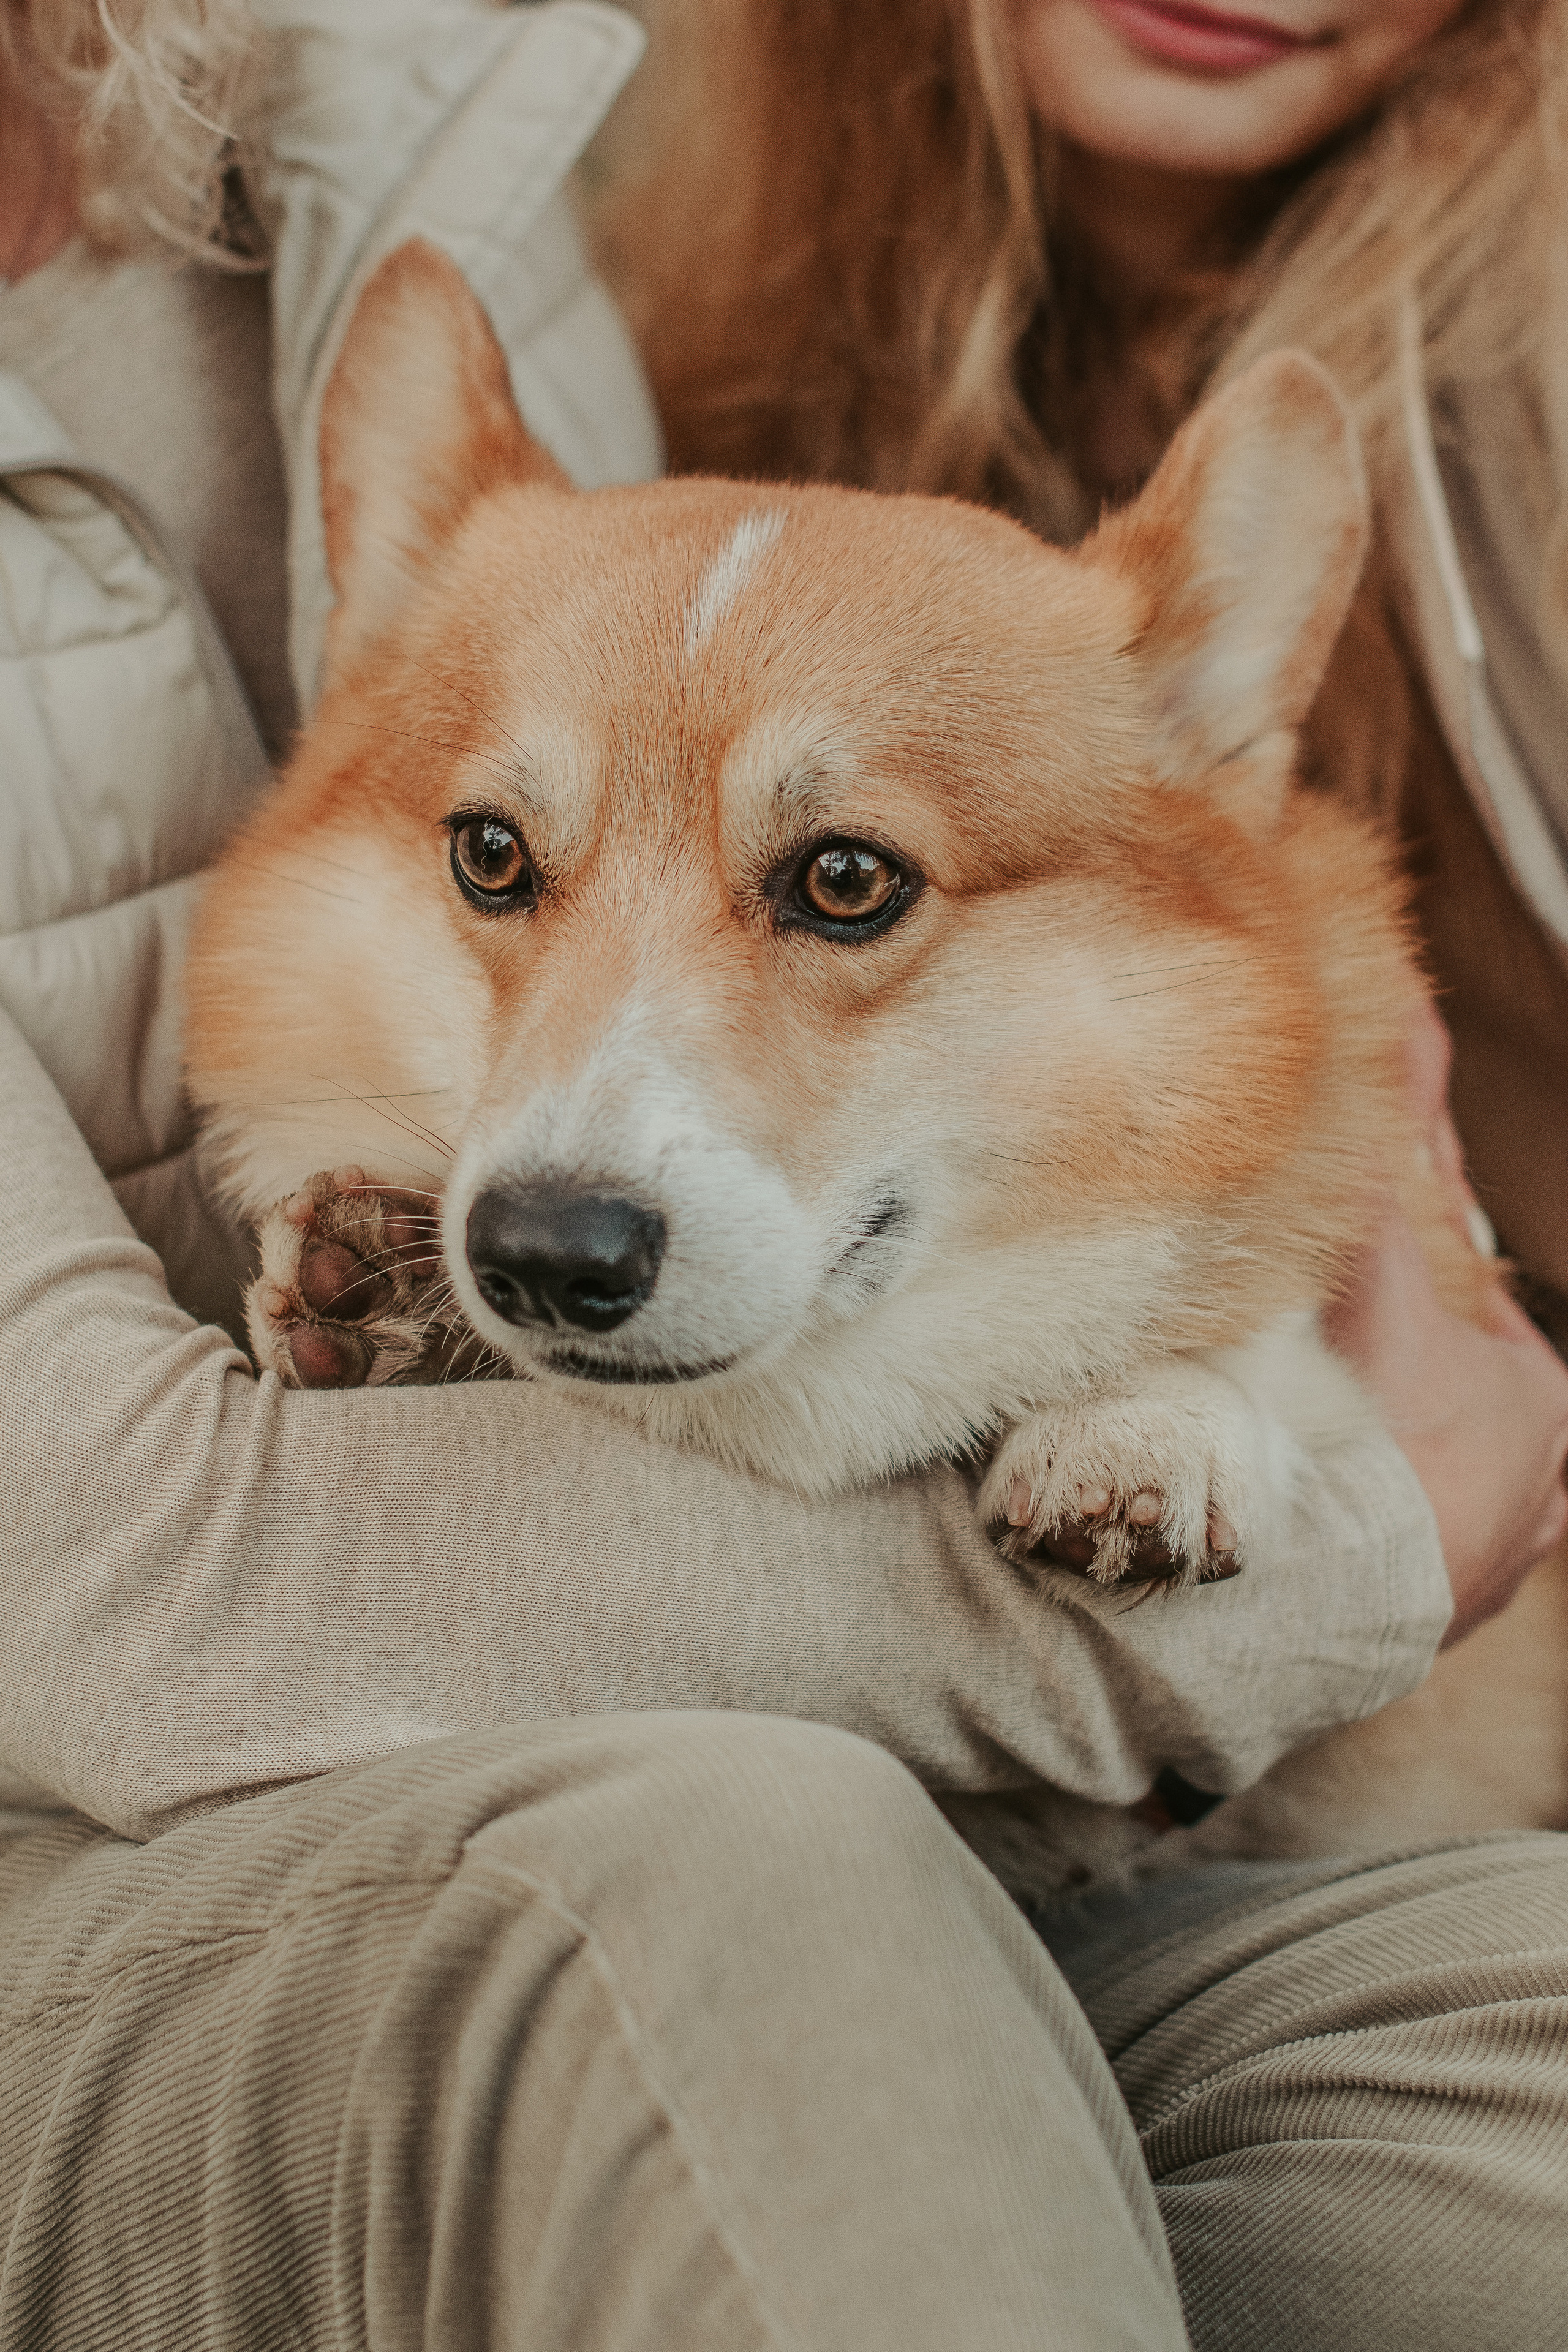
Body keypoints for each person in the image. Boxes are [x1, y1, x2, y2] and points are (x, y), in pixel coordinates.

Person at [0, 6, 1562, 2350]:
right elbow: (134, 1597)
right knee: (760, 1876)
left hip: (1002, 1812)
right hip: (140, 1847)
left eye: (839, 888)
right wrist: (1355, 1552)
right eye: (500, 860)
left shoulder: (411, 114)